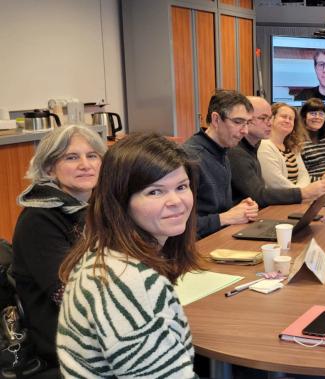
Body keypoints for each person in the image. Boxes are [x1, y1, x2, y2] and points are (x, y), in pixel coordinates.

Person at [57, 133, 201, 377]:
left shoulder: (108, 254)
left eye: (181, 187)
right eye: (155, 192)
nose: (176, 201)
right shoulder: (126, 280)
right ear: (121, 201)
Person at [11, 125, 106, 370]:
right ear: (49, 168)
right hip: (66, 344)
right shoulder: (39, 219)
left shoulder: (96, 206)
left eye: (92, 155)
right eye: (72, 157)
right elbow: (69, 294)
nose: (85, 164)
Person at [229, 96, 325, 208]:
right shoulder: (247, 149)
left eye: (291, 118)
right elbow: (267, 189)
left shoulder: (289, 144)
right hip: (278, 205)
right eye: (263, 118)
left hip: (290, 200)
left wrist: (305, 193)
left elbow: (304, 175)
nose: (268, 123)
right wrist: (303, 193)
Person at [183, 89, 259, 238]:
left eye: (248, 123)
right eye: (238, 122)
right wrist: (225, 218)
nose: (245, 131)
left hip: (219, 237)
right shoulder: (190, 158)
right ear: (216, 119)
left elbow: (214, 209)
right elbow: (178, 226)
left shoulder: (222, 151)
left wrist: (239, 209)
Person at [258, 102, 312, 189]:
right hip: (280, 200)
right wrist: (301, 193)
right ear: (271, 119)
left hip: (298, 196)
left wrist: (303, 193)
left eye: (291, 119)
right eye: (283, 117)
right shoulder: (264, 146)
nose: (287, 121)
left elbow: (304, 176)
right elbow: (276, 183)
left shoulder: (292, 146)